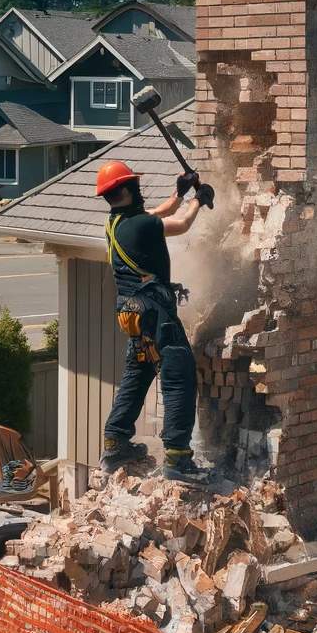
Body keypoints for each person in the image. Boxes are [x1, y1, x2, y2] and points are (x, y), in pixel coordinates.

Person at [94, 160, 215, 483]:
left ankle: (115, 443)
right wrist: (198, 200)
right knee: (178, 375)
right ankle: (177, 458)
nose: (138, 189)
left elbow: (155, 215)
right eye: (134, 184)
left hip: (131, 312)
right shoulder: (140, 225)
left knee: (139, 371)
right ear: (125, 190)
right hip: (153, 310)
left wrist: (178, 193)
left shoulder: (117, 222)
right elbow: (182, 224)